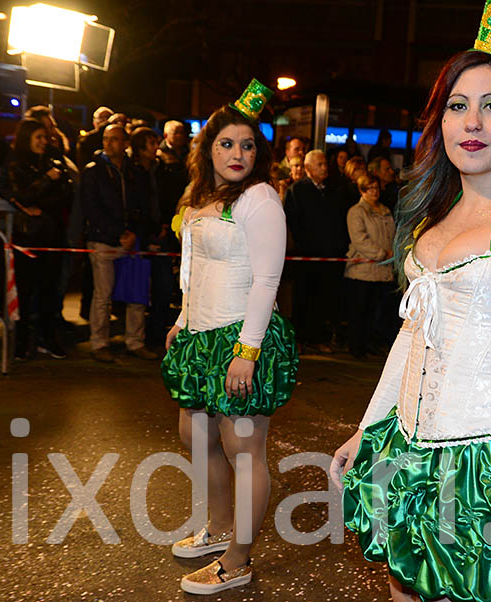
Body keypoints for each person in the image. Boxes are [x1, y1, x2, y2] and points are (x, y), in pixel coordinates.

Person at [331, 13, 491, 600]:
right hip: (409, 450)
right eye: (457, 105)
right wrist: (369, 425)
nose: (472, 122)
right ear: (438, 120)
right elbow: (414, 335)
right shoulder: (430, 214)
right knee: (402, 590)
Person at [161, 80, 298, 595]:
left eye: (247, 145)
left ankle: (238, 559)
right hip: (199, 337)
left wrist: (248, 351)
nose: (237, 153)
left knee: (244, 448)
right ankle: (218, 529)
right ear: (208, 148)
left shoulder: (260, 197)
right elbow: (191, 268)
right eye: (226, 143)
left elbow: (267, 279)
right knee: (196, 437)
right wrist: (181, 317)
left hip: (241, 339)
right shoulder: (201, 196)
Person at [81, 124, 157, 362]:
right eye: (106, 139)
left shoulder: (134, 172)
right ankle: (99, 343)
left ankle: (135, 342)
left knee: (136, 296)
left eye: (115, 139)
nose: (109, 143)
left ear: (125, 144)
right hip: (103, 239)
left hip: (131, 241)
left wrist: (134, 232)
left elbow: (142, 206)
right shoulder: (94, 171)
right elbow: (92, 209)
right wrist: (117, 233)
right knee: (103, 295)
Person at [5, 119, 72, 360]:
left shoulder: (52, 160)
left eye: (45, 137)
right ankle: (21, 341)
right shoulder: (16, 164)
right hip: (28, 237)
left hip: (52, 235)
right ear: (27, 139)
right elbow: (21, 194)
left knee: (50, 291)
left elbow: (63, 196)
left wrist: (36, 199)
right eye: (39, 138)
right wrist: (46, 181)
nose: (44, 142)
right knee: (24, 291)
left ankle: (47, 338)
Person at [284, 149, 348, 353]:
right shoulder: (297, 191)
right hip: (306, 256)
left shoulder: (332, 190)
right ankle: (300, 339)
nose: (324, 168)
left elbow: (338, 221)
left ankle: (319, 338)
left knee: (324, 299)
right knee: (303, 299)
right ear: (308, 168)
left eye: (324, 164)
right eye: (319, 164)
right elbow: (292, 222)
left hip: (328, 256)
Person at [130, 126, 185, 349]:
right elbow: (135, 205)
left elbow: (166, 199)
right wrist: (148, 230)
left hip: (162, 235)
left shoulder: (162, 170)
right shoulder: (132, 172)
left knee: (163, 286)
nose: (156, 148)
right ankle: (136, 338)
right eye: (151, 144)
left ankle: (156, 333)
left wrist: (162, 226)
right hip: (140, 236)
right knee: (138, 290)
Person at [344, 174, 395, 358]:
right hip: (361, 272)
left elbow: (392, 235)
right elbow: (360, 240)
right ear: (362, 191)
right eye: (370, 188)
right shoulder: (356, 212)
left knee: (374, 311)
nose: (375, 192)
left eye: (376, 187)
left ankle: (368, 343)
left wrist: (391, 253)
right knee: (359, 311)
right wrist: (382, 254)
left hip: (382, 272)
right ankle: (356, 346)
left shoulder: (386, 210)